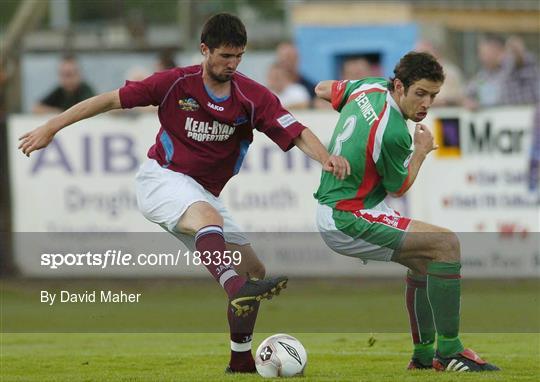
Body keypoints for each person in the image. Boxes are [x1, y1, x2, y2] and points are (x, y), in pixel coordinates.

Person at [19, 13, 349, 374]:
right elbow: (109, 100)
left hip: (204, 192)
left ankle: (240, 362)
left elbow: (296, 130)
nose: (232, 64)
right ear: (204, 49)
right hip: (162, 178)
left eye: (238, 56)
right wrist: (52, 126)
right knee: (213, 224)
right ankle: (233, 286)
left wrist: (326, 158)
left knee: (254, 272)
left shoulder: (252, 97)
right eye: (225, 56)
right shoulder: (176, 83)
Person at [313, 51, 500, 372]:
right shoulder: (397, 132)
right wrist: (421, 152)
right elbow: (399, 188)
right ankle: (450, 352)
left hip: (339, 209)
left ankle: (425, 355)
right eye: (420, 94)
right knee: (447, 244)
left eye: (433, 95)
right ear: (399, 86)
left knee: (425, 261)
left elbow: (320, 88)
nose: (426, 103)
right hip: (348, 215)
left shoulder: (369, 87)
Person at [464, 34, 538, 109]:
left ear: (497, 50)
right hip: (497, 118)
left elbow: (522, 60)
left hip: (526, 116)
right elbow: (467, 93)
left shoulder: (516, 66)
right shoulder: (483, 76)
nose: (480, 57)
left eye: (484, 53)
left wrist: (515, 51)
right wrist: (468, 102)